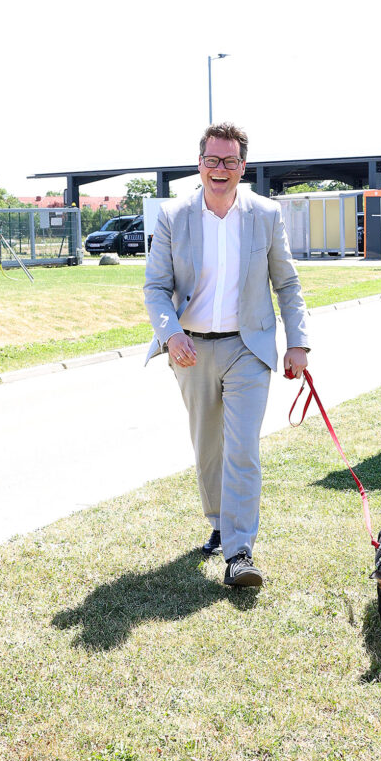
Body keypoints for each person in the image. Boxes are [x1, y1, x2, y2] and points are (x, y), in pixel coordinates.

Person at [144, 122, 309, 587]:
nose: (221, 169)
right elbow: (155, 288)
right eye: (213, 161)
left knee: (242, 449)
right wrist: (170, 334)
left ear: (243, 166)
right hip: (190, 349)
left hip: (247, 347)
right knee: (208, 448)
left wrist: (297, 341)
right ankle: (219, 522)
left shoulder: (265, 214)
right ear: (199, 165)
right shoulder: (174, 216)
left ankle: (239, 552)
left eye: (230, 161)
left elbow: (288, 284)